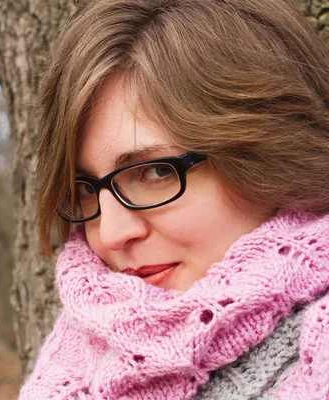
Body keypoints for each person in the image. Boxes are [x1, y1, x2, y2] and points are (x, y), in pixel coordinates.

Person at [18, 0, 329, 399]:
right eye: (85, 187)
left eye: (156, 171)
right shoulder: (75, 359)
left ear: (273, 152)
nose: (110, 234)